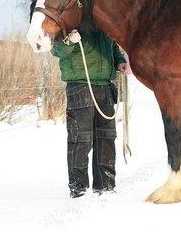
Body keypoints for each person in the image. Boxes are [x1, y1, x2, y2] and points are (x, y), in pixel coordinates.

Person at [51, 29, 129, 198]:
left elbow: (113, 45)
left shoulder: (102, 19)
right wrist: (69, 41)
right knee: (81, 138)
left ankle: (106, 186)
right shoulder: (70, 19)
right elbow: (55, 49)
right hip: (80, 85)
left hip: (105, 86)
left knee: (107, 137)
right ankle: (79, 189)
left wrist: (119, 61)